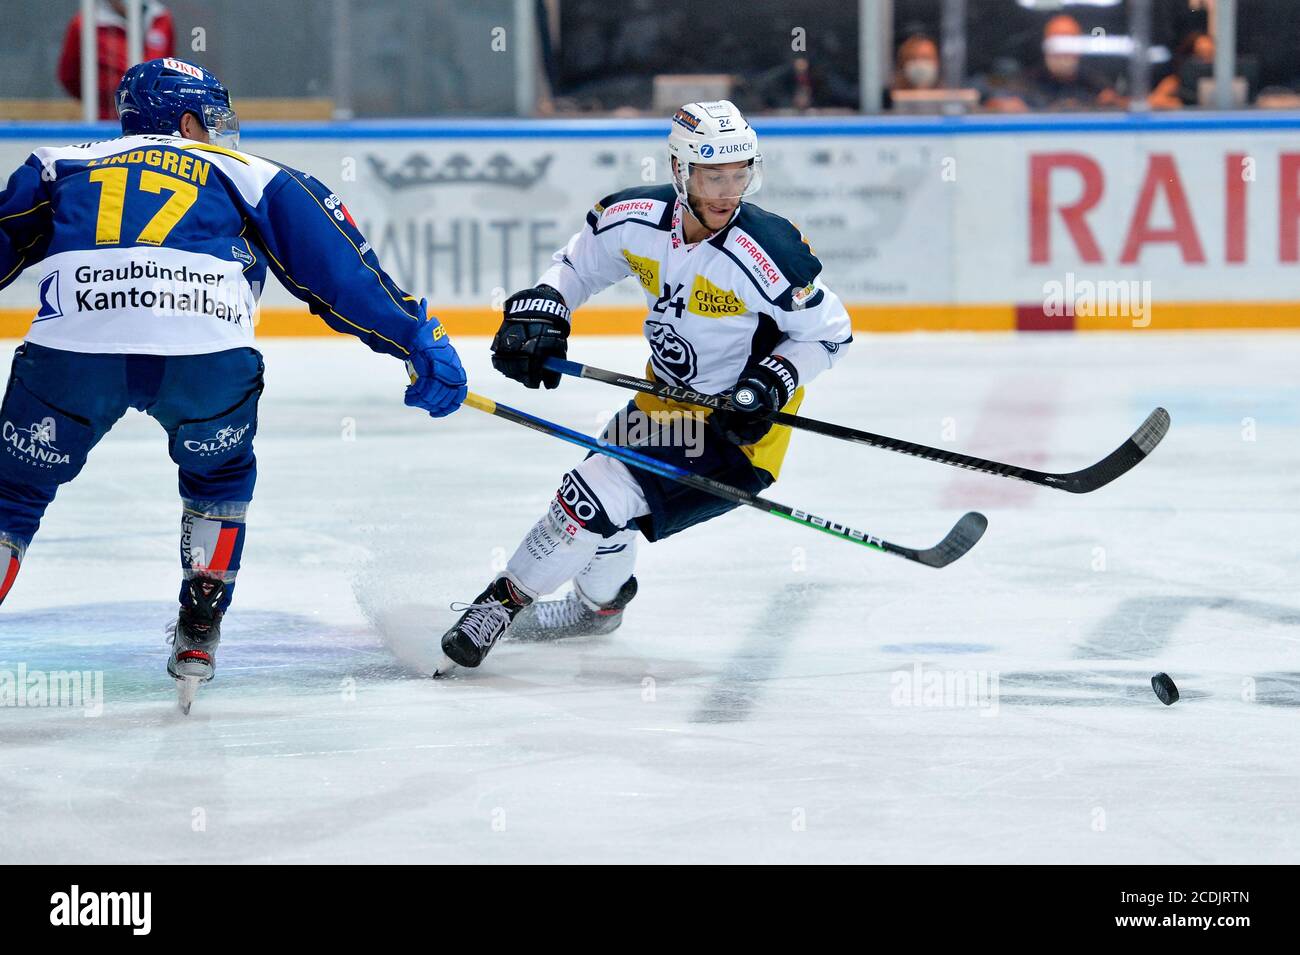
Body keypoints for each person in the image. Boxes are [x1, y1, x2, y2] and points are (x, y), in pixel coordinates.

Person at [0, 58, 466, 698]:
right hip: (206, 352)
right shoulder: (253, 174)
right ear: (185, 121)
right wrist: (414, 337)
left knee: (12, 495)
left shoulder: (57, 163)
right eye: (214, 121)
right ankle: (199, 626)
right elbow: (338, 274)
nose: (224, 134)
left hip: (76, 350)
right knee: (217, 477)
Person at [437, 100, 851, 672]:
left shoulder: (768, 252)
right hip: (661, 404)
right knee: (605, 509)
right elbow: (578, 265)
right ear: (681, 171)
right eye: (713, 177)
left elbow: (829, 335)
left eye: (740, 174)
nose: (729, 192)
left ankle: (500, 605)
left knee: (588, 496)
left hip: (735, 434)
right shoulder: (635, 217)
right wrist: (545, 307)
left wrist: (771, 383)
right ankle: (597, 610)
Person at [58, 0, 176, 120]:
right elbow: (69, 77)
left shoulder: (160, 18)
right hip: (107, 122)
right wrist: (105, 102)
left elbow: (168, 70)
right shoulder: (85, 24)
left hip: (155, 120)